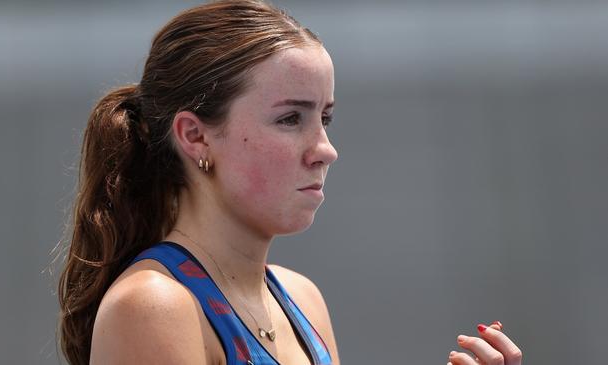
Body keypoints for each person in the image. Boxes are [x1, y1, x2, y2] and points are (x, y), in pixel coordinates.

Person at [57, 1, 522, 364]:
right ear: (195, 136)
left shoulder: (302, 299)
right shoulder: (154, 306)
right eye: (289, 118)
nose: (325, 149)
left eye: (325, 117)